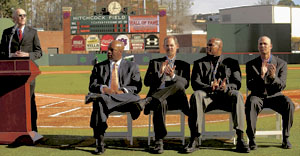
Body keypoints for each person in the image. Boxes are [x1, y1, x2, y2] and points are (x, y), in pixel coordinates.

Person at [85, 40, 150, 155]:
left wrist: (123, 91)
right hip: (105, 103)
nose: (108, 52)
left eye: (111, 50)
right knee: (100, 103)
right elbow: (92, 85)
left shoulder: (132, 66)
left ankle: (105, 99)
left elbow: (137, 86)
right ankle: (100, 143)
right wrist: (103, 88)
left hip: (124, 102)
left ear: (120, 51)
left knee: (134, 97)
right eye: (108, 49)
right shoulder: (99, 66)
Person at [185, 38, 249, 153]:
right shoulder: (199, 63)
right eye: (207, 45)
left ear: (219, 47)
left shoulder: (231, 62)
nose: (208, 47)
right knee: (196, 95)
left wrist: (226, 87)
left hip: (226, 97)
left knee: (237, 95)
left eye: (211, 45)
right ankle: (194, 139)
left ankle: (240, 138)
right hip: (207, 97)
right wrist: (210, 87)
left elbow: (237, 83)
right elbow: (195, 83)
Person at [245, 36, 295, 151]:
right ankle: (252, 139)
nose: (262, 46)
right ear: (258, 47)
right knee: (251, 102)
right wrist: (261, 76)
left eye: (265, 44)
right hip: (257, 96)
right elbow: (250, 86)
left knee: (289, 104)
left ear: (270, 46)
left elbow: (281, 85)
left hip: (275, 96)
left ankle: (285, 138)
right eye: (260, 44)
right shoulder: (251, 64)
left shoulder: (281, 64)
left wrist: (273, 77)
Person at [143, 36, 190, 154]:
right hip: (160, 101)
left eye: (172, 45)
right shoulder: (154, 62)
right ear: (164, 47)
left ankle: (153, 98)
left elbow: (186, 84)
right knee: (160, 102)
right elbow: (146, 82)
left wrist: (173, 76)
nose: (169, 48)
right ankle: (159, 141)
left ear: (177, 46)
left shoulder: (184, 64)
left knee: (179, 84)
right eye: (167, 46)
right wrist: (159, 73)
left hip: (176, 100)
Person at [0, 8, 42, 132]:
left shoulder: (33, 32)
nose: (22, 17)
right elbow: (1, 51)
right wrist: (11, 55)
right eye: (20, 15)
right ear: (14, 18)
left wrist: (27, 55)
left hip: (28, 73)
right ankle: (12, 129)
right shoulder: (7, 33)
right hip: (11, 74)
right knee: (11, 101)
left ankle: (33, 129)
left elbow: (39, 52)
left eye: (24, 15)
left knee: (30, 101)